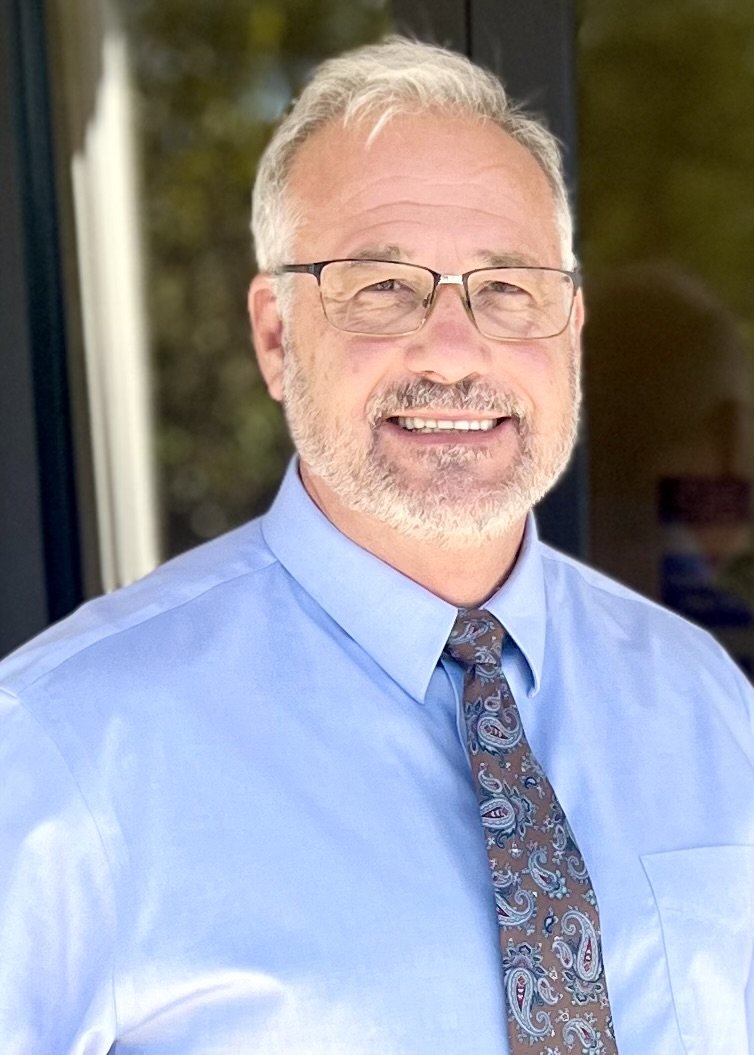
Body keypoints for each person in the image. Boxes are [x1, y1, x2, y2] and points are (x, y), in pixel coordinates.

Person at [0, 36, 752, 1055]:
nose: (451, 350)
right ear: (276, 336)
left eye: (507, 287)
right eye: (381, 286)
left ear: (568, 330)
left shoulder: (703, 699)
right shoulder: (58, 744)